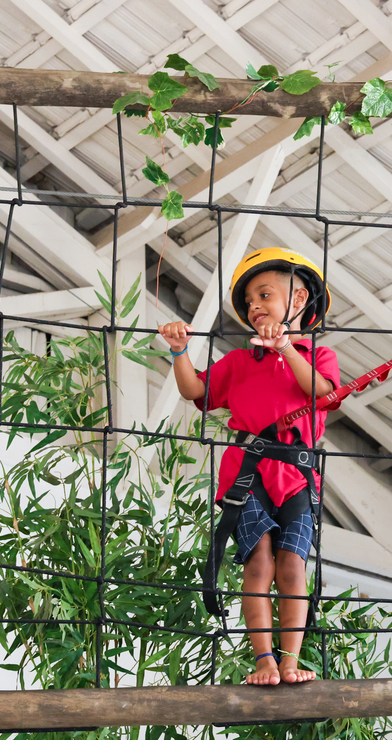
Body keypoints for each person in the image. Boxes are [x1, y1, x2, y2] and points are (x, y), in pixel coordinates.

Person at [158, 247, 338, 686]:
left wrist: (285, 348)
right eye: (249, 301)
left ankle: (290, 661)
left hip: (297, 475)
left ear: (299, 300)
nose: (255, 306)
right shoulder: (239, 363)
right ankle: (264, 661)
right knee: (258, 564)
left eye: (265, 295)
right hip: (249, 474)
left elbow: (321, 391)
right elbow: (194, 391)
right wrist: (180, 351)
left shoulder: (317, 355)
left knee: (292, 566)